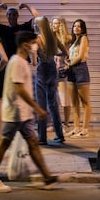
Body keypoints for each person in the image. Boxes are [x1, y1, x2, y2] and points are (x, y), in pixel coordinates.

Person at [0, 31, 58, 192]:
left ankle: (47, 177)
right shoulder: (17, 62)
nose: (35, 46)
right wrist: (38, 108)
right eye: (33, 42)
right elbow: (19, 90)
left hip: (24, 114)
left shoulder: (22, 62)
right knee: (4, 143)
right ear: (25, 44)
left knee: (33, 143)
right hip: (15, 112)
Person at [34, 16, 67, 145]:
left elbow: (34, 61)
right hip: (53, 70)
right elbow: (64, 52)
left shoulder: (38, 39)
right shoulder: (53, 36)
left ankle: (42, 137)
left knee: (41, 105)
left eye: (36, 24)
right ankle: (60, 135)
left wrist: (36, 56)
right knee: (53, 104)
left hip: (42, 70)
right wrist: (53, 53)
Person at [64, 19, 92, 138]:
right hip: (71, 71)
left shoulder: (84, 38)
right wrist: (67, 61)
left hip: (80, 69)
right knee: (74, 102)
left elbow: (80, 56)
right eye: (75, 26)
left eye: (79, 26)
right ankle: (76, 128)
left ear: (83, 28)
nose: (76, 28)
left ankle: (85, 129)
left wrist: (69, 65)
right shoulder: (73, 41)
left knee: (85, 102)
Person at [52, 17, 72, 132]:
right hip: (52, 72)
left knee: (65, 99)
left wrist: (67, 65)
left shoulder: (67, 38)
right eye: (53, 23)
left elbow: (71, 54)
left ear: (61, 25)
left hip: (62, 71)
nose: (54, 26)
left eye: (56, 24)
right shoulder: (51, 38)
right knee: (53, 99)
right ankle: (56, 123)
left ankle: (66, 124)